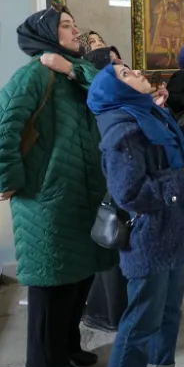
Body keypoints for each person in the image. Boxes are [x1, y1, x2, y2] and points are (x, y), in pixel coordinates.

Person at [0, 6, 116, 367]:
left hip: (77, 193)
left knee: (77, 277)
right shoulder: (34, 74)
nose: (75, 31)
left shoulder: (72, 72)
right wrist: (2, 180)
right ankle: (44, 363)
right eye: (66, 26)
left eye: (74, 25)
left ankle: (67, 346)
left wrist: (71, 68)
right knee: (51, 281)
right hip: (46, 197)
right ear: (46, 35)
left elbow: (108, 90)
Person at [87, 63, 184, 367]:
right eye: (125, 74)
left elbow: (168, 159)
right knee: (141, 319)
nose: (136, 72)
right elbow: (130, 194)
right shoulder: (122, 132)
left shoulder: (150, 114)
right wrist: (183, 179)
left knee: (169, 309)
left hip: (170, 229)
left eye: (130, 69)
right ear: (116, 91)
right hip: (148, 236)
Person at [82, 48, 130, 334]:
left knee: (117, 252)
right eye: (113, 65)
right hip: (107, 184)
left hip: (116, 184)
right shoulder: (101, 107)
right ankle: (108, 313)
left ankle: (110, 310)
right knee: (111, 244)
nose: (122, 68)